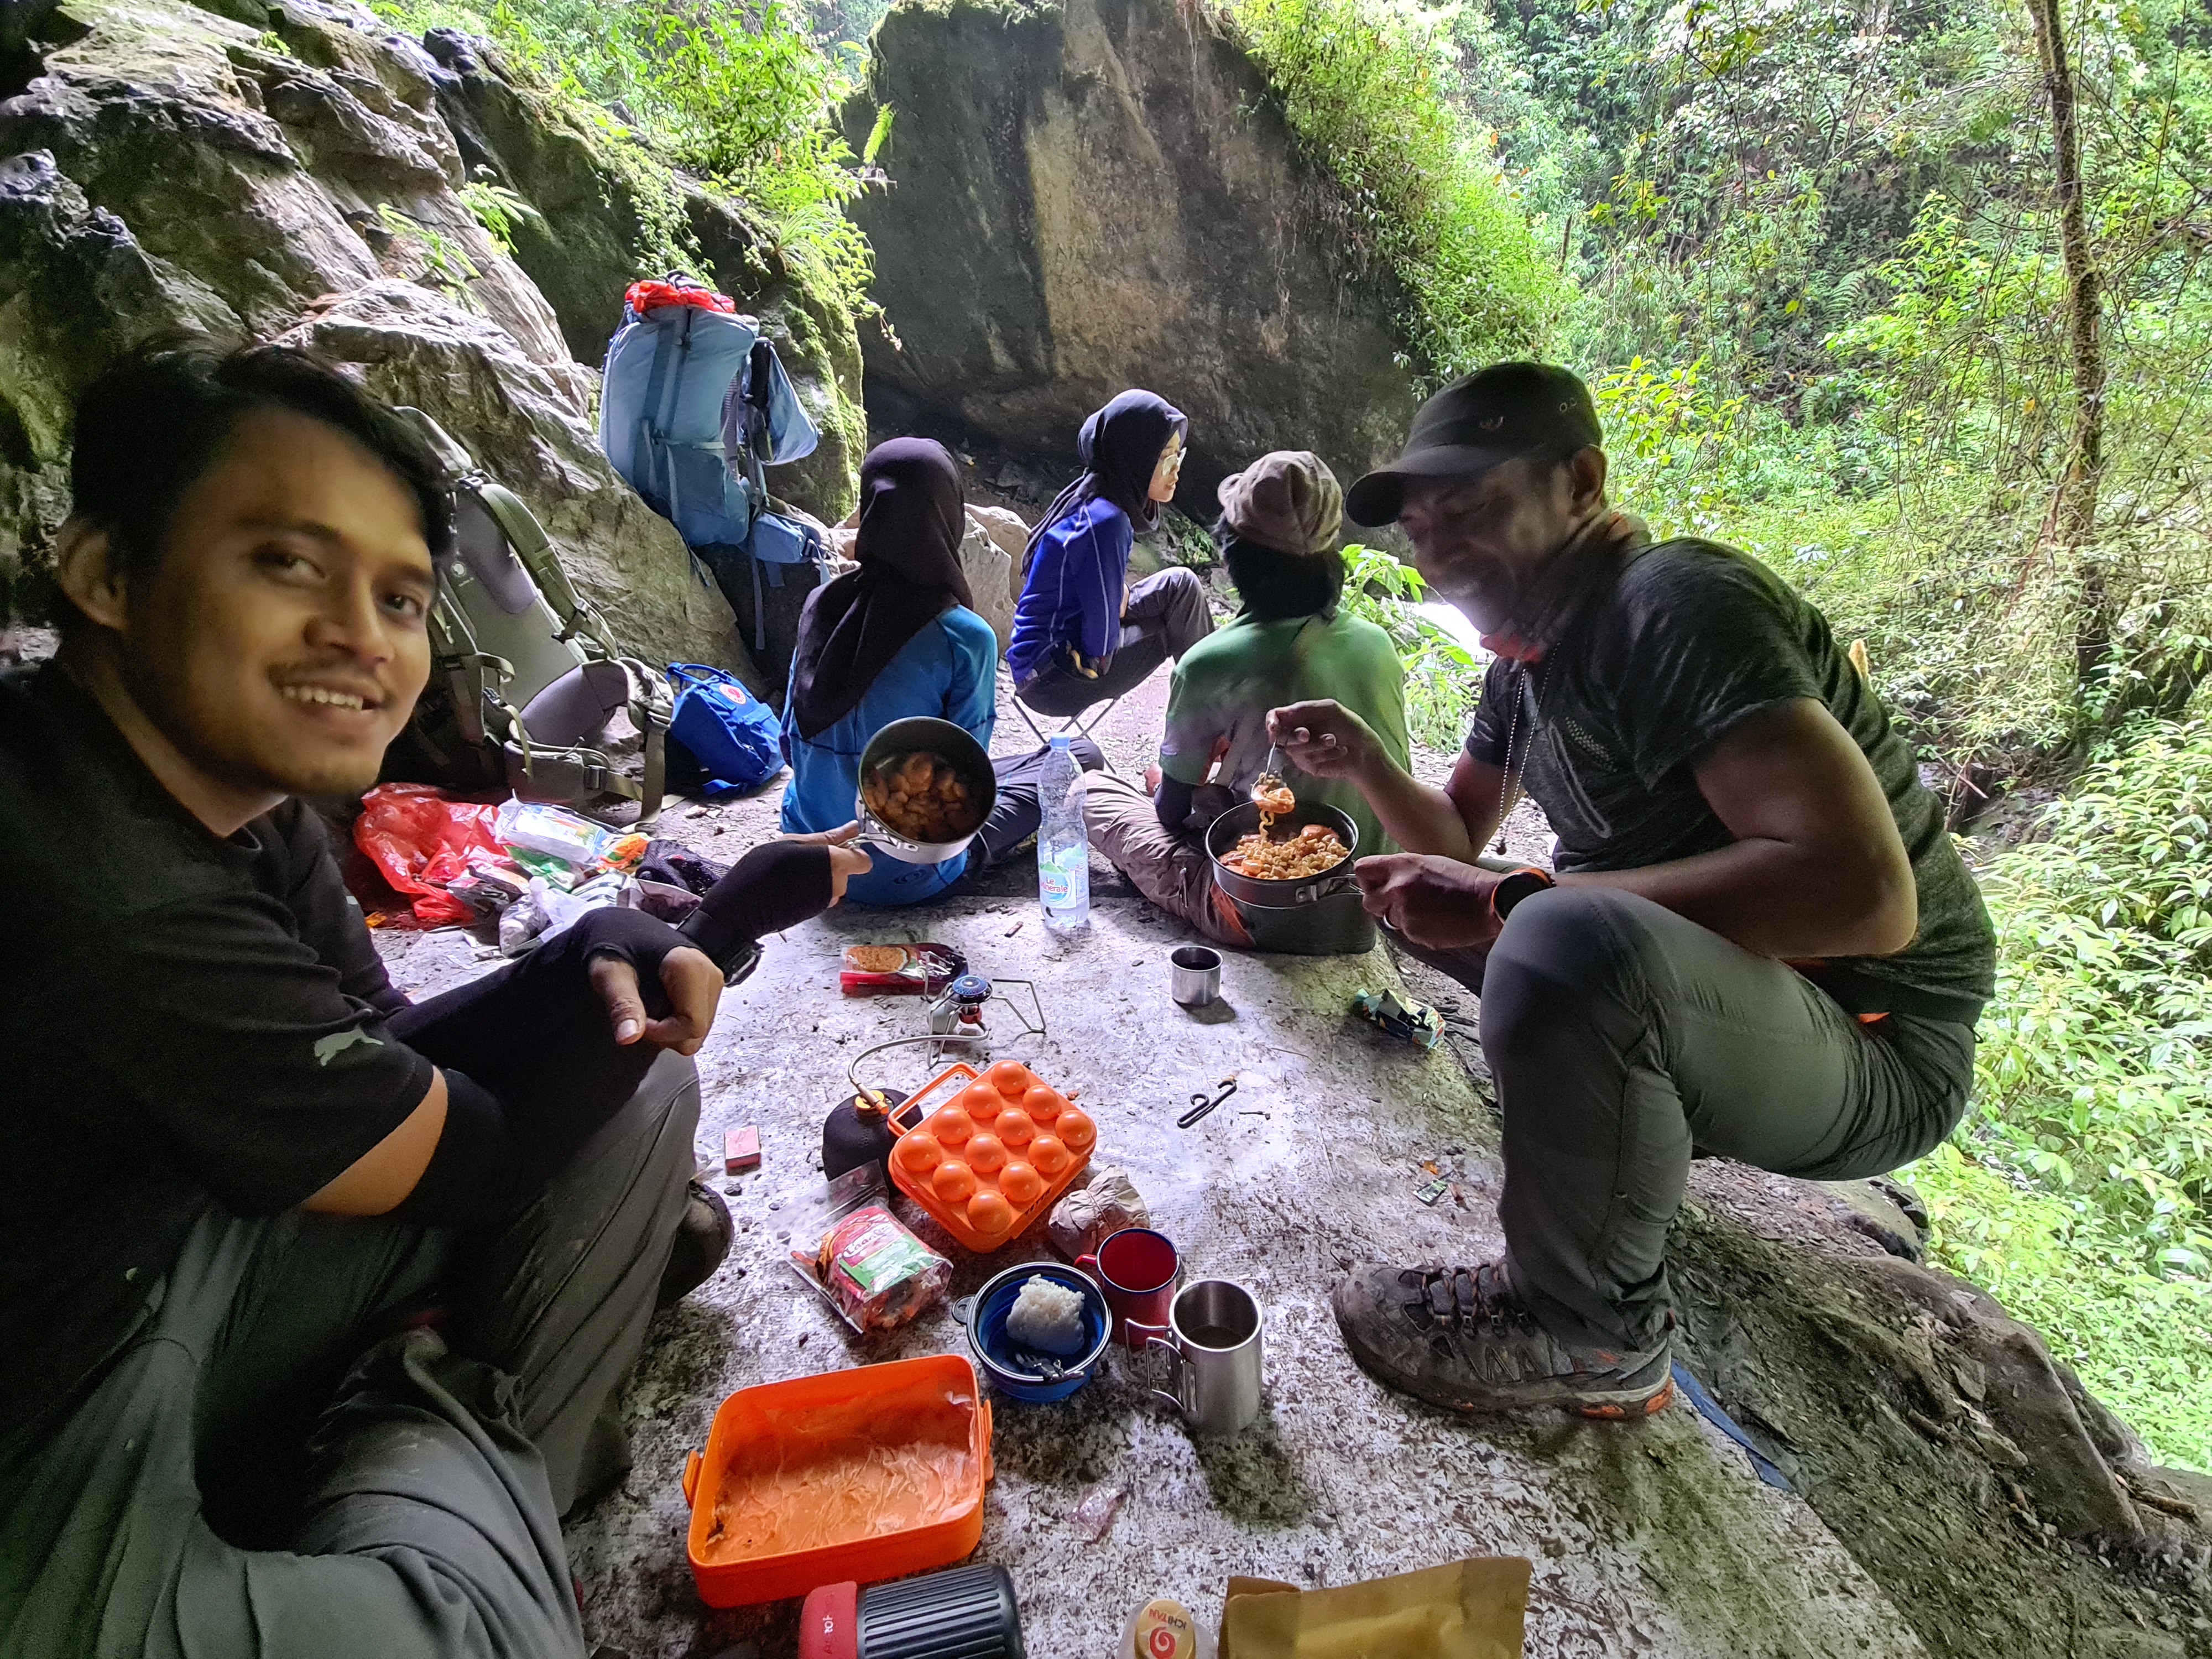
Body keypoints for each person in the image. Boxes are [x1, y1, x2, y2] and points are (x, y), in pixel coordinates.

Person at [0, 339, 866, 1659]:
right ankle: (445, 1461)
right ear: (108, 574)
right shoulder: (100, 881)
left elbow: (389, 1053)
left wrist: (619, 939)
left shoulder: (238, 798)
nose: (361, 634)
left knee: (649, 1081)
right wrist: (700, 924)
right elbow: (468, 1149)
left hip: (170, 1242)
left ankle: (431, 1440)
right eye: (286, 562)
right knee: (473, 1634)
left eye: (402, 597)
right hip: (48, 1422)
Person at [1272, 362, 1995, 1420]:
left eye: (1471, 509)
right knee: (1446, 901)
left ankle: (1590, 1332)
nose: (1436, 551)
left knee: (1547, 927)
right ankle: (1626, 1114)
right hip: (1743, 1002)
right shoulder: (1524, 667)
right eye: (1421, 528)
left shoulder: (1673, 603)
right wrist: (1370, 761)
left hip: (1878, 1037)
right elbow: (1462, 835)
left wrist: (1513, 904)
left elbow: (1865, 895)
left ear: (1581, 482)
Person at [1086, 451, 1410, 948]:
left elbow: (1171, 815)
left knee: (1090, 793)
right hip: (1373, 906)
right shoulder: (1378, 644)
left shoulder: (1210, 663)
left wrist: (1169, 784)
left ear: (1231, 552)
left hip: (1268, 917)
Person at [782, 437, 1102, 904]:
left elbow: (789, 748)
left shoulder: (822, 605)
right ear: (947, 516)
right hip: (904, 876)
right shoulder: (964, 637)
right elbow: (969, 779)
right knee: (1081, 756)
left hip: (810, 854)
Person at [1006, 389, 1214, 720]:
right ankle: (1215, 718)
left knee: (1182, 583)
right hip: (1052, 676)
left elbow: (1101, 597)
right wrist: (1121, 610)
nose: (1177, 470)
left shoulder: (1096, 496)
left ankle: (1217, 705)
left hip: (1040, 657)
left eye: (1180, 456)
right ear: (1137, 458)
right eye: (1167, 459)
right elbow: (1100, 645)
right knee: (1176, 624)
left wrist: (1120, 602)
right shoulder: (1108, 522)